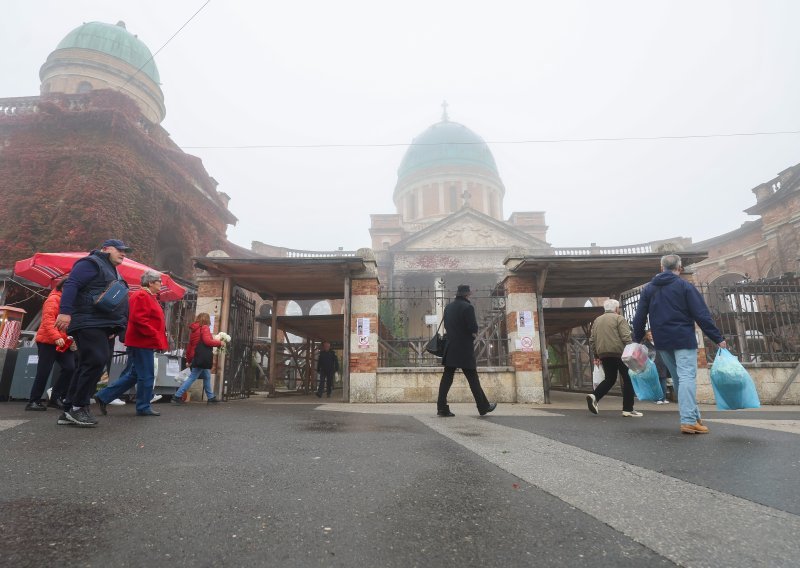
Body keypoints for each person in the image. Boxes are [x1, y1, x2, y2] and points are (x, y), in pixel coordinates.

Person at [633, 254, 727, 435]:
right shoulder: (685, 286)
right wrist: (717, 338)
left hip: (662, 341)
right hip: (683, 338)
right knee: (686, 377)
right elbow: (702, 314)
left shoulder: (648, 289)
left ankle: (694, 417)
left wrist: (637, 340)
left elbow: (639, 318)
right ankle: (689, 421)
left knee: (678, 378)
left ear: (661, 268)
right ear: (680, 268)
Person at [55, 239, 130, 427]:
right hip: (87, 321)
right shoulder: (91, 263)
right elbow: (72, 284)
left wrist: (113, 327)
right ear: (105, 249)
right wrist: (64, 312)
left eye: (125, 251)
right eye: (119, 250)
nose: (123, 253)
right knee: (96, 360)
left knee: (88, 363)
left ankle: (69, 409)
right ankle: (78, 406)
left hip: (99, 323)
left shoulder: (111, 269)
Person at [94, 269, 168, 416]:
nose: (161, 284)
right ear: (151, 282)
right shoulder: (141, 295)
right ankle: (143, 407)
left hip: (143, 341)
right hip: (143, 341)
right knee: (146, 375)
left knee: (134, 374)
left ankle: (103, 396)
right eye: (159, 281)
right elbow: (139, 320)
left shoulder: (147, 296)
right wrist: (154, 335)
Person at [436, 284, 496, 417]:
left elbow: (446, 325)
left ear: (458, 294)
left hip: (451, 346)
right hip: (464, 348)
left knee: (447, 378)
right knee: (473, 378)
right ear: (467, 294)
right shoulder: (468, 307)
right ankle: (483, 406)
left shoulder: (448, 307)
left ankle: (441, 407)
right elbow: (473, 328)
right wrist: (473, 334)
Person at [25, 277, 76, 411]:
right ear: (64, 288)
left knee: (70, 368)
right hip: (48, 341)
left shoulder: (67, 302)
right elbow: (48, 321)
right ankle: (33, 401)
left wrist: (71, 339)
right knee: (44, 371)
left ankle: (55, 398)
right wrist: (56, 337)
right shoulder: (53, 299)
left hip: (62, 341)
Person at [586, 299, 641, 417]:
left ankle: (595, 396)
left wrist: (597, 355)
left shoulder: (597, 320)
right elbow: (626, 337)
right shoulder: (619, 318)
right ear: (616, 309)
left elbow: (592, 340)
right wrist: (633, 351)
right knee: (628, 379)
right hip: (620, 353)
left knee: (610, 379)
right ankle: (628, 409)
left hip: (604, 354)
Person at [171, 312, 222, 404]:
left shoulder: (194, 330)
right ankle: (177, 396)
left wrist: (189, 360)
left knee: (207, 376)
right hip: (201, 357)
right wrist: (219, 343)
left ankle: (210, 397)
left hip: (196, 357)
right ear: (206, 320)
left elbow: (190, 347)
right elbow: (207, 341)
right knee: (192, 377)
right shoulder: (205, 328)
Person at [642, 329, 671, 404]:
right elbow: (644, 355)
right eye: (648, 335)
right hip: (652, 365)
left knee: (663, 382)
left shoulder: (660, 342)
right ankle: (657, 399)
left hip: (662, 364)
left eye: (651, 334)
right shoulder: (645, 344)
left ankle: (663, 398)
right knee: (655, 382)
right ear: (647, 336)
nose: (650, 336)